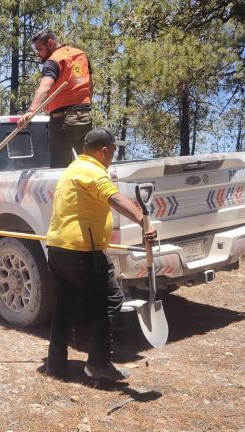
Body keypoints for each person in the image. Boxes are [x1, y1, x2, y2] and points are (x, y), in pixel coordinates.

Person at [44, 127, 157, 382]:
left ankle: (56, 363)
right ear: (104, 150)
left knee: (64, 305)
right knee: (111, 299)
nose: (113, 156)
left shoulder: (72, 169)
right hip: (83, 251)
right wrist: (144, 223)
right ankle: (98, 363)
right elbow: (115, 199)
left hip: (58, 248)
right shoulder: (93, 171)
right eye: (113, 151)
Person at [18, 29, 93, 169]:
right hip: (84, 117)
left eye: (40, 49)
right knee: (89, 166)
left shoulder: (53, 61)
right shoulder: (81, 55)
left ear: (51, 43)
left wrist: (31, 111)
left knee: (60, 169)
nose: (38, 54)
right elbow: (90, 84)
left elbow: (45, 86)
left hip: (62, 120)